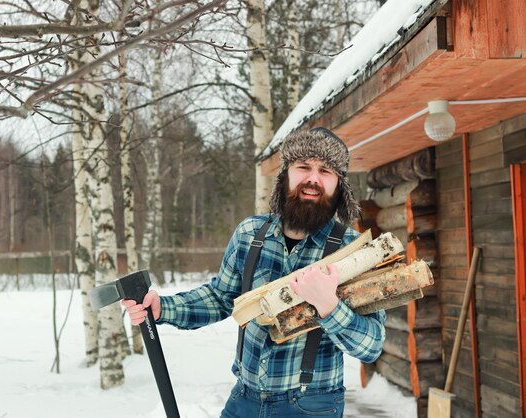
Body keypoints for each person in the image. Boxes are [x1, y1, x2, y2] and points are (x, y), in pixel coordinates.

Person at [122, 128, 386, 417]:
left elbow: (371, 346)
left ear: (339, 186)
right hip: (244, 400)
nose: (313, 178)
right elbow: (221, 298)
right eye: (303, 167)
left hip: (311, 406)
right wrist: (164, 308)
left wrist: (329, 305)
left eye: (325, 170)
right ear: (286, 175)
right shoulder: (251, 234)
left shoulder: (354, 251)